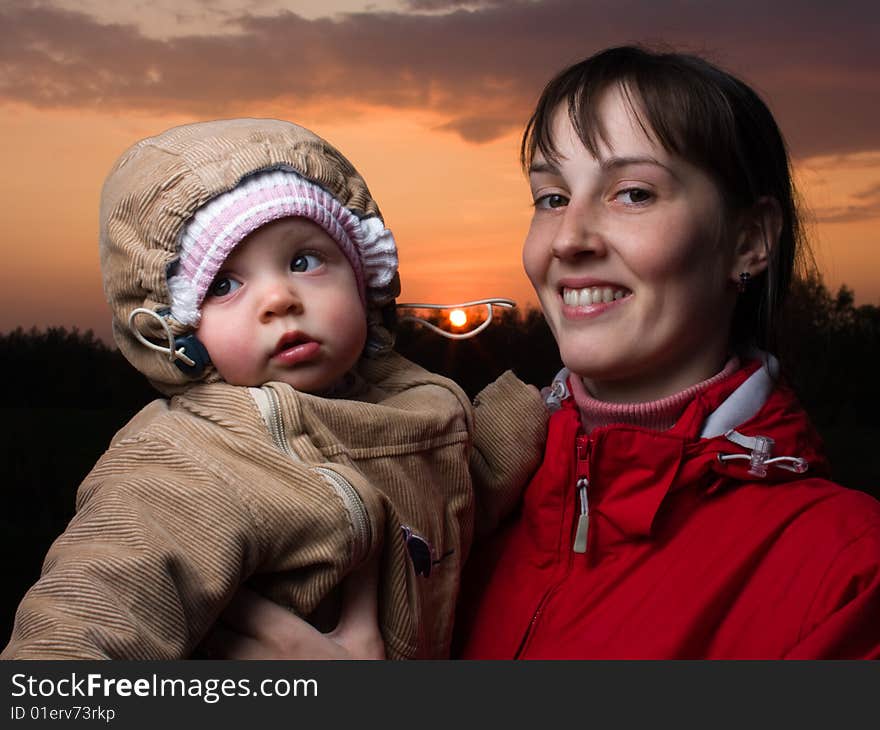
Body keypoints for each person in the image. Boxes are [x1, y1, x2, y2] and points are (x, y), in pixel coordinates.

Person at [209, 47, 880, 659]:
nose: (569, 239)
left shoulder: (849, 571)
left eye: (633, 193)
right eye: (552, 197)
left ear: (750, 241)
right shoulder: (445, 489)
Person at [1, 118, 547, 660]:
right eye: (224, 284)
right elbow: (71, 643)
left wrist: (545, 406)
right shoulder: (186, 465)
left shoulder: (413, 403)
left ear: (365, 279)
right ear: (177, 332)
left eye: (304, 261)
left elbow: (458, 485)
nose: (279, 298)